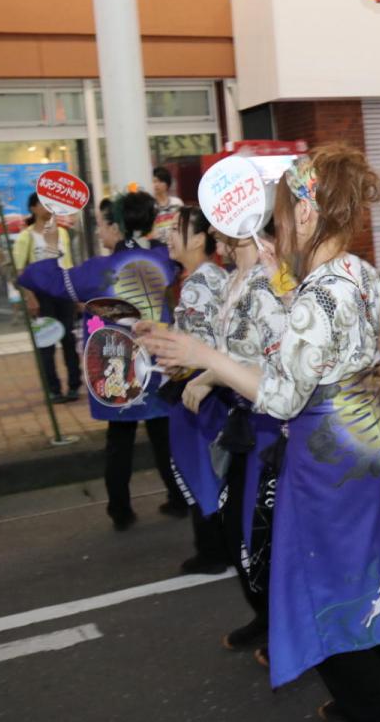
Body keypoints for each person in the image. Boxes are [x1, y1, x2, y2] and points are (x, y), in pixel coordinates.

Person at [141, 147, 380, 721]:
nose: (276, 225)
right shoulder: (358, 272)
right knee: (367, 577)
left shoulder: (319, 291)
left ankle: (374, 709)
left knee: (324, 594)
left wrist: (200, 353)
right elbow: (327, 353)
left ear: (308, 215)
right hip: (363, 432)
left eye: (283, 213)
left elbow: (285, 393)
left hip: (324, 448)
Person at [17, 191, 185, 531]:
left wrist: (51, 246)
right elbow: (174, 262)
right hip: (159, 359)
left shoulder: (99, 270)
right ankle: (180, 498)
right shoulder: (162, 260)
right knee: (163, 434)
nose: (98, 232)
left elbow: (42, 280)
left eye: (101, 225)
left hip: (117, 362)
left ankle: (120, 510)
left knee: (119, 440)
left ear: (115, 227)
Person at [178, 222, 290, 662]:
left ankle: (288, 630)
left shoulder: (269, 279)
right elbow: (229, 354)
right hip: (241, 422)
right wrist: (199, 371)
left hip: (272, 426)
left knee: (265, 536)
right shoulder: (231, 281)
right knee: (233, 529)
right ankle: (266, 617)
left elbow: (277, 363)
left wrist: (207, 375)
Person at [160, 205, 230, 576]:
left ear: (200, 239)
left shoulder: (199, 284)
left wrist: (168, 358)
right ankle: (218, 546)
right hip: (215, 390)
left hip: (198, 392)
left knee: (200, 469)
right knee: (212, 468)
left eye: (177, 229)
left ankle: (213, 550)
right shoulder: (213, 276)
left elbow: (197, 348)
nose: (170, 235)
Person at [15, 194, 81, 403]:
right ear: (33, 208)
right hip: (42, 295)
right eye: (43, 204)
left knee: (69, 339)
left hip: (64, 292)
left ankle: (73, 386)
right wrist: (30, 298)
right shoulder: (26, 236)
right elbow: (20, 271)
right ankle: (53, 389)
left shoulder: (62, 233)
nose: (48, 208)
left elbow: (68, 264)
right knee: (47, 343)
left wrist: (77, 295)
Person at [151, 166, 185, 246]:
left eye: (160, 181)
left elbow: (183, 223)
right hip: (157, 247)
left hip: (176, 244)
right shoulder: (151, 205)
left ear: (167, 183)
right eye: (154, 181)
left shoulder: (177, 203)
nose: (156, 185)